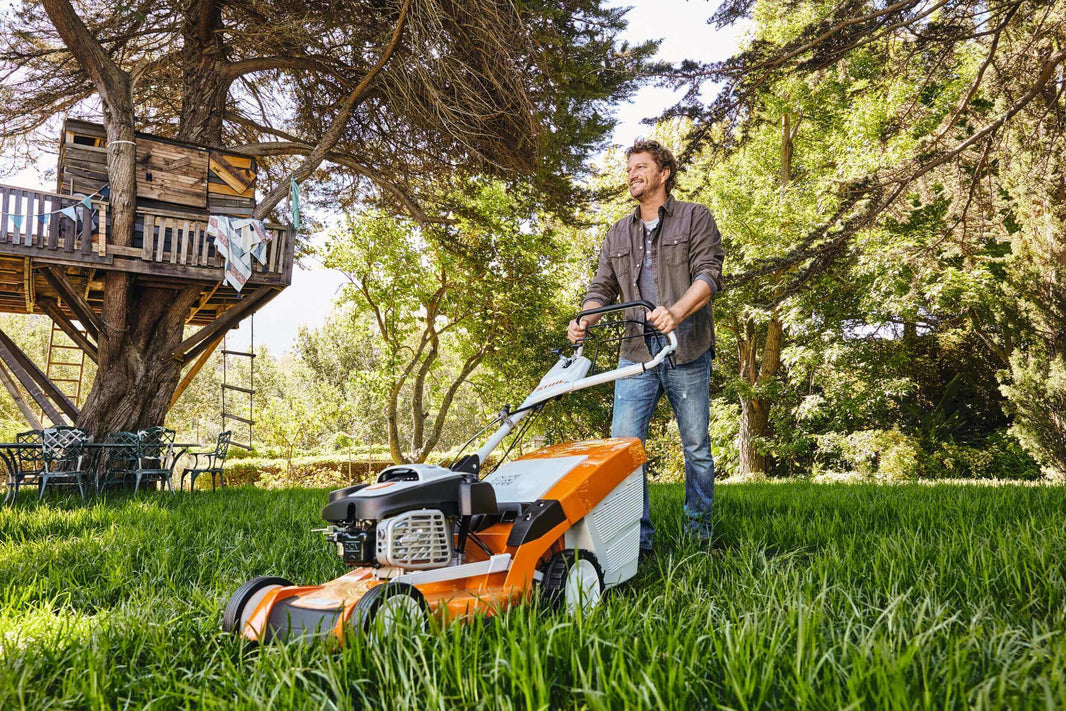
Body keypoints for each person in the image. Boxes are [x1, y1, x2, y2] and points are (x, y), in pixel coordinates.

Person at [568, 139, 724, 556]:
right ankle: (636, 545)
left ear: (664, 173)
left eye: (641, 167)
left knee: (696, 449)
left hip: (686, 349)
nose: (632, 174)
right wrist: (586, 318)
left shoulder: (695, 218)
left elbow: (709, 275)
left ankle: (699, 538)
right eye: (629, 169)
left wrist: (675, 312)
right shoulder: (618, 231)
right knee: (622, 452)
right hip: (635, 354)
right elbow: (601, 288)